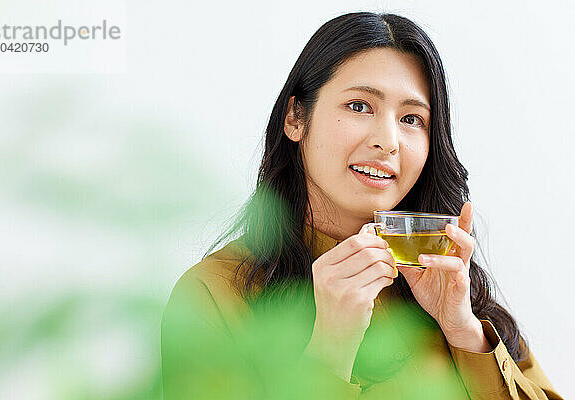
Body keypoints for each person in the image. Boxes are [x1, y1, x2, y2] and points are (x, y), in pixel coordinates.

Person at [161, 11, 563, 400]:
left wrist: (464, 334)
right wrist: (330, 347)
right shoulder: (211, 295)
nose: (387, 140)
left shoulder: (453, 293)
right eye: (359, 106)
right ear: (295, 118)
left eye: (412, 119)